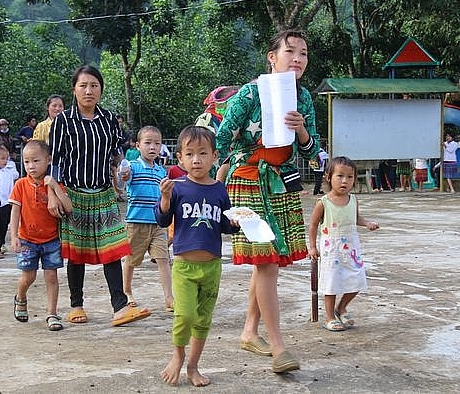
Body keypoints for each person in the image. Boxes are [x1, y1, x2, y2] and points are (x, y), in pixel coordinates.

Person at [215, 29, 319, 373]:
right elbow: (222, 137)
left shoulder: (303, 99)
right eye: (290, 51)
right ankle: (278, 347)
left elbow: (312, 150)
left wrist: (302, 130)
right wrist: (235, 163)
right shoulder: (249, 93)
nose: (298, 59)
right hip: (247, 182)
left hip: (281, 185)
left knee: (267, 263)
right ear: (271, 57)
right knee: (267, 263)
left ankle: (249, 331)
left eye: (303, 53)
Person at [49, 65, 151, 326]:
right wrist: (54, 194)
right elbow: (55, 162)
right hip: (74, 194)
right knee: (76, 252)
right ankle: (76, 305)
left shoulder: (108, 119)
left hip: (104, 194)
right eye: (83, 85)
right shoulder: (63, 121)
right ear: (74, 89)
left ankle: (119, 306)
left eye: (94, 85)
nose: (88, 91)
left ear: (101, 89)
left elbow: (116, 152)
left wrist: (123, 168)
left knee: (112, 250)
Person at [155, 125, 238, 387]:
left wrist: (237, 222)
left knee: (203, 320)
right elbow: (162, 219)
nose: (196, 160)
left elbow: (225, 226)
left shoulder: (219, 190)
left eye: (203, 153)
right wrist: (165, 197)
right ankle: (177, 356)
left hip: (212, 266)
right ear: (180, 157)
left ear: (214, 156)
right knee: (185, 316)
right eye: (190, 154)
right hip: (184, 266)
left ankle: (193, 366)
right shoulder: (178, 187)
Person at [308, 156, 379, 331]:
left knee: (357, 279)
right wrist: (312, 246)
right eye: (340, 176)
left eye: (349, 177)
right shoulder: (323, 203)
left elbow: (355, 218)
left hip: (351, 248)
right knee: (331, 282)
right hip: (331, 249)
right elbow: (313, 225)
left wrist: (367, 223)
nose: (344, 181)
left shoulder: (353, 200)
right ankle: (330, 316)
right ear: (328, 177)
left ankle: (341, 308)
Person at [10, 140, 72, 331]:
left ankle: (52, 313)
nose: (31, 166)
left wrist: (53, 184)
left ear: (48, 160)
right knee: (28, 277)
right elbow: (15, 212)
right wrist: (13, 236)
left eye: (36, 161)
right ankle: (20, 297)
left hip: (51, 240)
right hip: (27, 240)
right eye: (27, 162)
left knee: (52, 277)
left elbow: (68, 208)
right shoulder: (20, 185)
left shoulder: (54, 184)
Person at [121, 126, 174, 312]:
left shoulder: (161, 171)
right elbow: (124, 177)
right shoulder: (132, 166)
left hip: (158, 223)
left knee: (163, 259)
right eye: (148, 143)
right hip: (136, 223)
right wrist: (123, 174)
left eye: (157, 143)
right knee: (131, 260)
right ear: (138, 145)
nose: (152, 147)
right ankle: (126, 292)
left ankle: (169, 297)